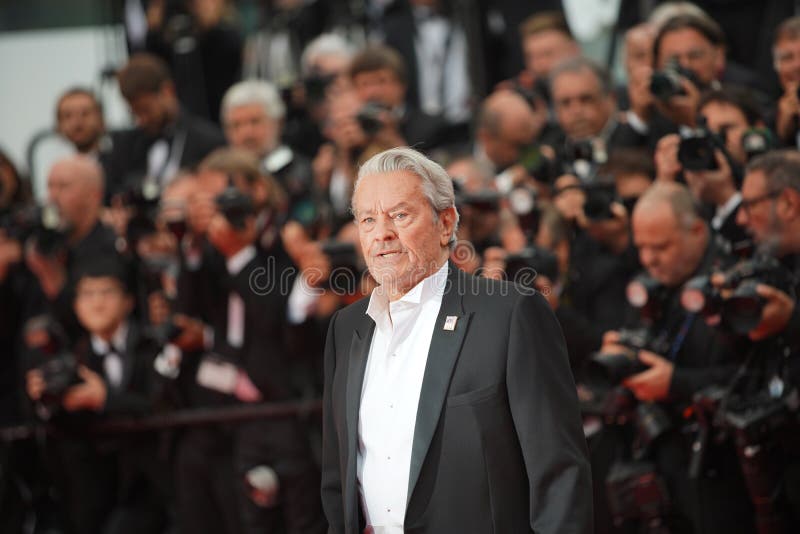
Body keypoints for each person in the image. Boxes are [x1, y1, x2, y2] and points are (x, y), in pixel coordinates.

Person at [320, 147, 592, 533]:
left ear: (445, 223)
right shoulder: (346, 329)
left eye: (399, 215)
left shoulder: (509, 314)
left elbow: (559, 473)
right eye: (368, 219)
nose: (381, 233)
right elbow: (338, 480)